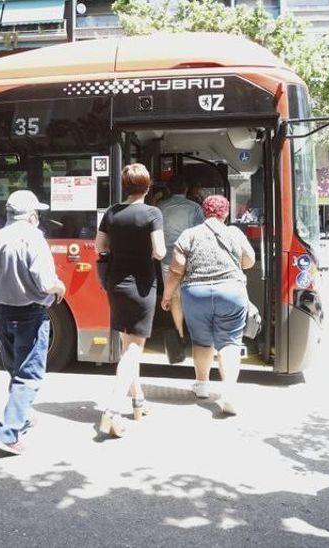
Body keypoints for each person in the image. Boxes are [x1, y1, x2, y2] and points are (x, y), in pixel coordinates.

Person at [0, 190, 66, 456]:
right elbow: (45, 281)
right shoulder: (33, 238)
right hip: (29, 314)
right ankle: (8, 434)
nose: (38, 217)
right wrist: (59, 286)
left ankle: (23, 415)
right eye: (37, 213)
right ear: (30, 215)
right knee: (28, 375)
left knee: (16, 371)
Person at [160, 195, 253, 415]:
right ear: (226, 214)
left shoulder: (189, 234)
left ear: (203, 212)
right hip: (231, 292)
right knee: (229, 343)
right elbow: (249, 262)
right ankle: (228, 392)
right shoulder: (234, 233)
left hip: (196, 294)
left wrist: (167, 295)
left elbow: (176, 269)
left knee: (202, 342)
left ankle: (202, 386)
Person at [95, 163, 166, 437]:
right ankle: (112, 409)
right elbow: (159, 251)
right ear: (147, 187)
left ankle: (138, 401)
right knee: (134, 349)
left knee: (127, 343)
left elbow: (99, 246)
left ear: (125, 187)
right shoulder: (152, 213)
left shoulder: (112, 213)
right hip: (142, 285)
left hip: (116, 283)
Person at [155, 173, 205, 369]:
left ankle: (180, 334)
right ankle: (195, 333)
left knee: (175, 297)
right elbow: (201, 233)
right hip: (189, 258)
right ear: (185, 190)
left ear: (168, 190)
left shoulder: (160, 208)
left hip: (167, 257)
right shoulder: (194, 208)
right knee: (190, 295)